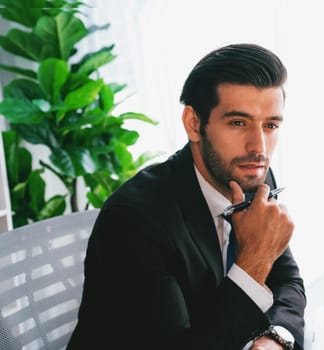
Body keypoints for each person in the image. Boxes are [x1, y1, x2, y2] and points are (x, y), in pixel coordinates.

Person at [67, 43, 306, 350]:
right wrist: (253, 264)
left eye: (270, 125)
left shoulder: (252, 175)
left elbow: (288, 282)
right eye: (238, 123)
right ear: (194, 124)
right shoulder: (134, 222)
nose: (258, 147)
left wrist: (277, 338)